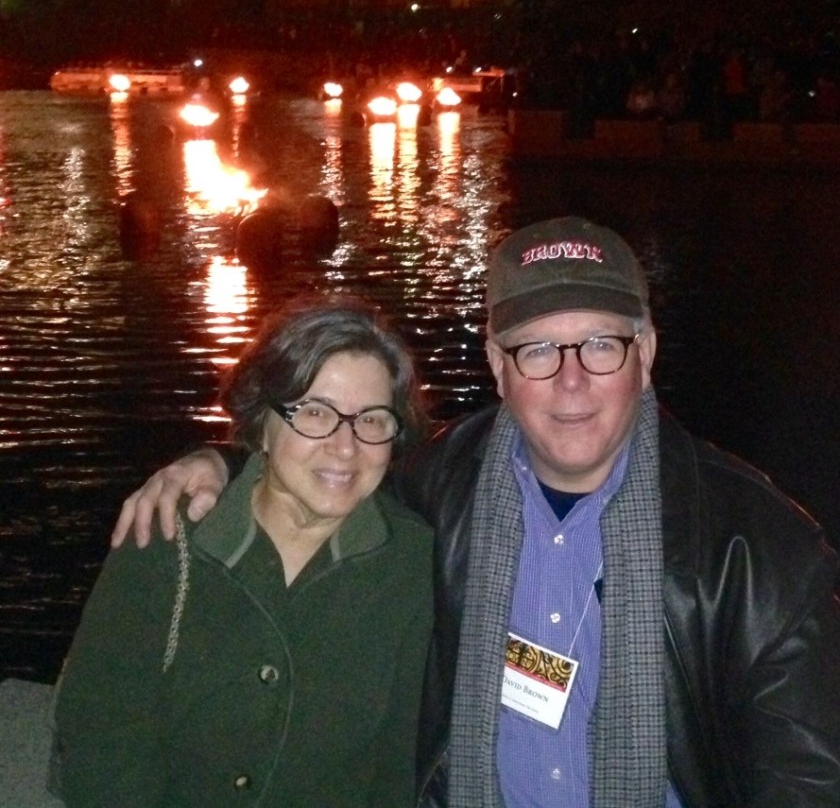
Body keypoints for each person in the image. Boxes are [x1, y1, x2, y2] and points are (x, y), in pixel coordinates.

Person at [112, 217, 840, 806]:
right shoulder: (438, 485)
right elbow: (331, 472)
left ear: (645, 354)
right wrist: (227, 463)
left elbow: (807, 778)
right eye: (537, 351)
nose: (571, 381)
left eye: (600, 345)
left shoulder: (759, 549)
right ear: (497, 365)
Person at [53, 295, 434, 806]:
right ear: (262, 424)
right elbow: (101, 735)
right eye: (315, 413)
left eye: (371, 420)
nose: (346, 447)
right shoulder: (168, 535)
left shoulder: (410, 562)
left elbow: (395, 764)